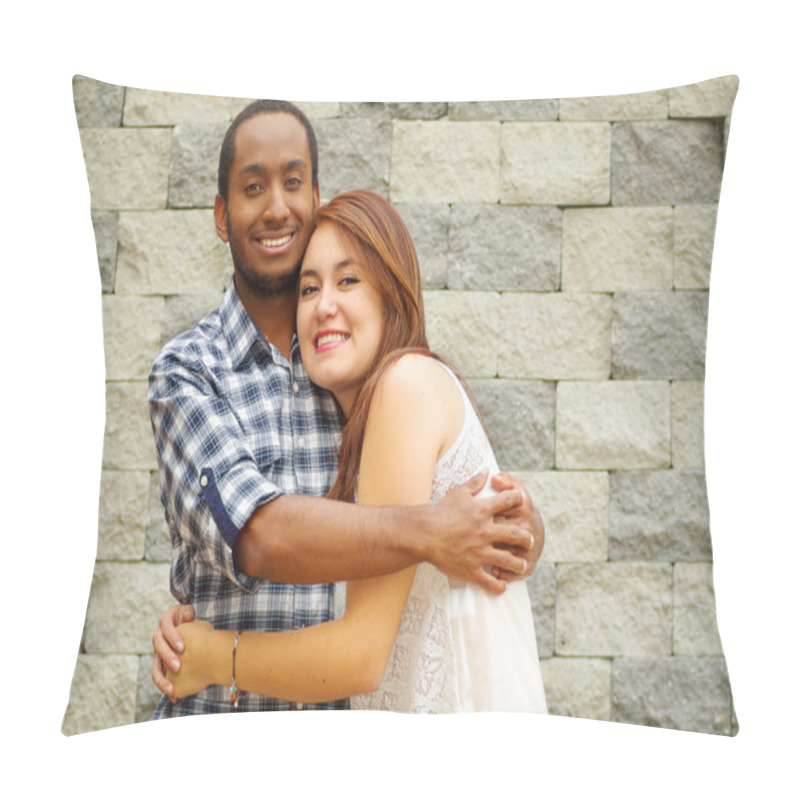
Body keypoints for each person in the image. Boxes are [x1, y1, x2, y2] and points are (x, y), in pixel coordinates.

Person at [149, 100, 543, 717]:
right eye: (253, 187)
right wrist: (433, 530)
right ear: (222, 216)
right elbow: (259, 535)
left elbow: (479, 530)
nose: (276, 205)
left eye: (293, 182)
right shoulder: (190, 372)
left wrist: (516, 530)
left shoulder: (371, 381)